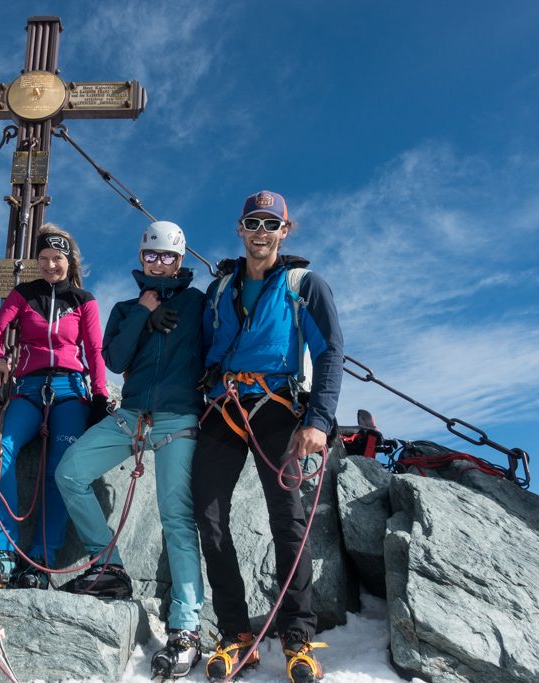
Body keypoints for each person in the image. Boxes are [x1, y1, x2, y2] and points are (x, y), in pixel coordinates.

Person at [193, 190, 343, 683]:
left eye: (270, 225)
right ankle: (236, 634)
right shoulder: (220, 289)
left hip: (277, 406)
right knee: (209, 516)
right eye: (253, 223)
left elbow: (329, 353)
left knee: (288, 518)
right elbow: (201, 352)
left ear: (285, 231)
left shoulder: (304, 284)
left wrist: (318, 420)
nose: (261, 232)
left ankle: (296, 638)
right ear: (240, 229)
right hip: (223, 406)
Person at [55, 221, 207, 679]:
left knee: (176, 517)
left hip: (178, 419)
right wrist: (142, 313)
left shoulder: (200, 304)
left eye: (167, 257)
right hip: (131, 415)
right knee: (70, 472)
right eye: (151, 256)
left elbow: (221, 340)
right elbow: (115, 360)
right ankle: (110, 566)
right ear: (141, 258)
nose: (158, 263)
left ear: (181, 261)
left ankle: (186, 627)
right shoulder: (124, 308)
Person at [0, 224, 109, 589]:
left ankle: (41, 557)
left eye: (57, 258)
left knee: (60, 468)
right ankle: (2, 552)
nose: (51, 265)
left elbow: (95, 351)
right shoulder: (23, 294)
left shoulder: (84, 300)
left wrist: (99, 395)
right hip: (29, 387)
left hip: (70, 389)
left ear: (69, 261)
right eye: (44, 259)